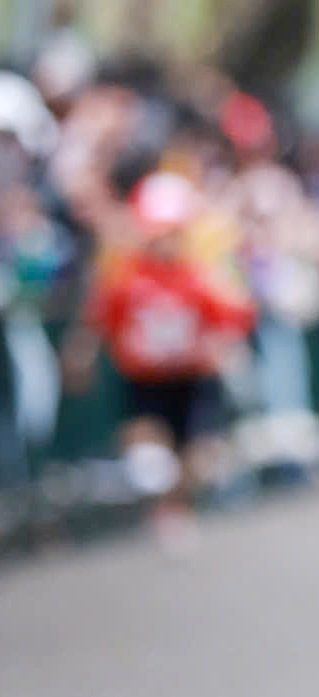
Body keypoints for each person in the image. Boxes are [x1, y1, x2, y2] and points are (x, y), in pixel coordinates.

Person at [73, 171, 255, 549]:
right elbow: (96, 320)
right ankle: (161, 508)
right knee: (150, 460)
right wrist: (81, 357)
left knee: (196, 460)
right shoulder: (125, 277)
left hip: (191, 379)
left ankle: (176, 510)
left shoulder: (200, 276)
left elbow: (233, 319)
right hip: (145, 381)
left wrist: (225, 346)